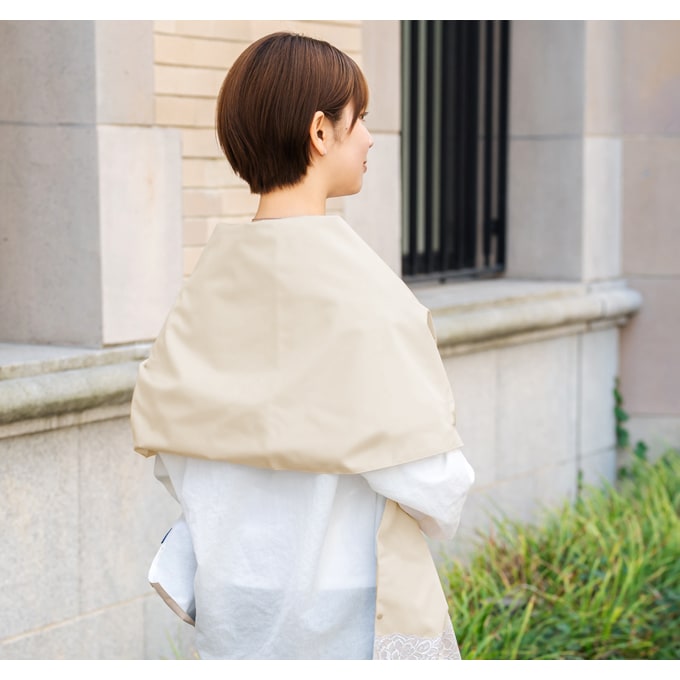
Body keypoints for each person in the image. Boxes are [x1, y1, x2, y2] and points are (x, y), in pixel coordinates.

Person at [130, 31, 474, 661]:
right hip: (343, 612)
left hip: (233, 605)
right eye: (358, 118)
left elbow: (174, 459)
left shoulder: (203, 295)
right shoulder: (365, 296)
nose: (369, 138)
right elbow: (434, 483)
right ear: (320, 132)